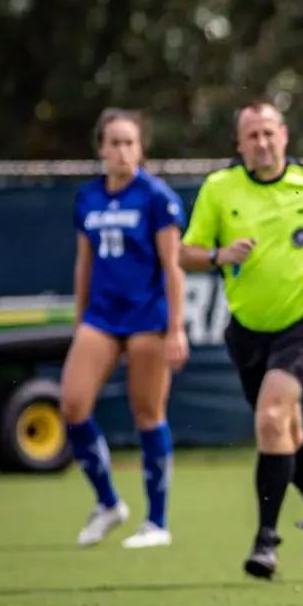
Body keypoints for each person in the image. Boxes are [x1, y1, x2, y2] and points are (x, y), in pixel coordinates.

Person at [178, 101, 303, 578]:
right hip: (247, 330)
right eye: (252, 135)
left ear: (284, 135)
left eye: (269, 133)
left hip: (301, 323)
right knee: (286, 430)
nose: (262, 143)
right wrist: (220, 255)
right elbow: (186, 254)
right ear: (239, 143)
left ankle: (266, 540)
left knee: (270, 419)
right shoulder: (219, 188)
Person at [63, 109, 189, 548]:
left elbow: (173, 267)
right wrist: (80, 317)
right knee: (72, 405)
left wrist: (176, 328)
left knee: (147, 413)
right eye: (114, 143)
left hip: (146, 318)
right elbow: (84, 262)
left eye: (130, 143)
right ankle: (108, 503)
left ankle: (157, 521)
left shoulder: (155, 197)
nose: (122, 151)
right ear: (101, 148)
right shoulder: (88, 197)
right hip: (101, 316)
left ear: (141, 149)